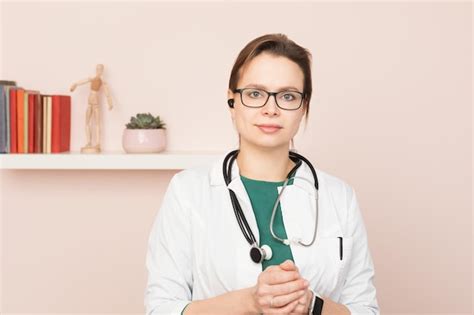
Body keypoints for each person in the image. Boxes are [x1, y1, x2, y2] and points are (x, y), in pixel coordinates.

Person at [145, 34, 379, 315]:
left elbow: (366, 310)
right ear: (232, 102)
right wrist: (249, 302)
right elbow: (161, 309)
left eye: (288, 96)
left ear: (304, 107)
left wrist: (312, 305)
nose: (271, 109)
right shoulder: (188, 192)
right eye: (255, 94)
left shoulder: (339, 197)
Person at [70, 64, 113, 153]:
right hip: (90, 100)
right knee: (87, 122)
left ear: (102, 71)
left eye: (100, 69)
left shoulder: (102, 80)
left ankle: (97, 143)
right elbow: (83, 81)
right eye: (97, 69)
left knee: (97, 122)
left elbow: (106, 91)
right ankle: (89, 142)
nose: (98, 71)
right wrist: (75, 84)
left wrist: (110, 102)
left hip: (95, 101)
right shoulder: (92, 78)